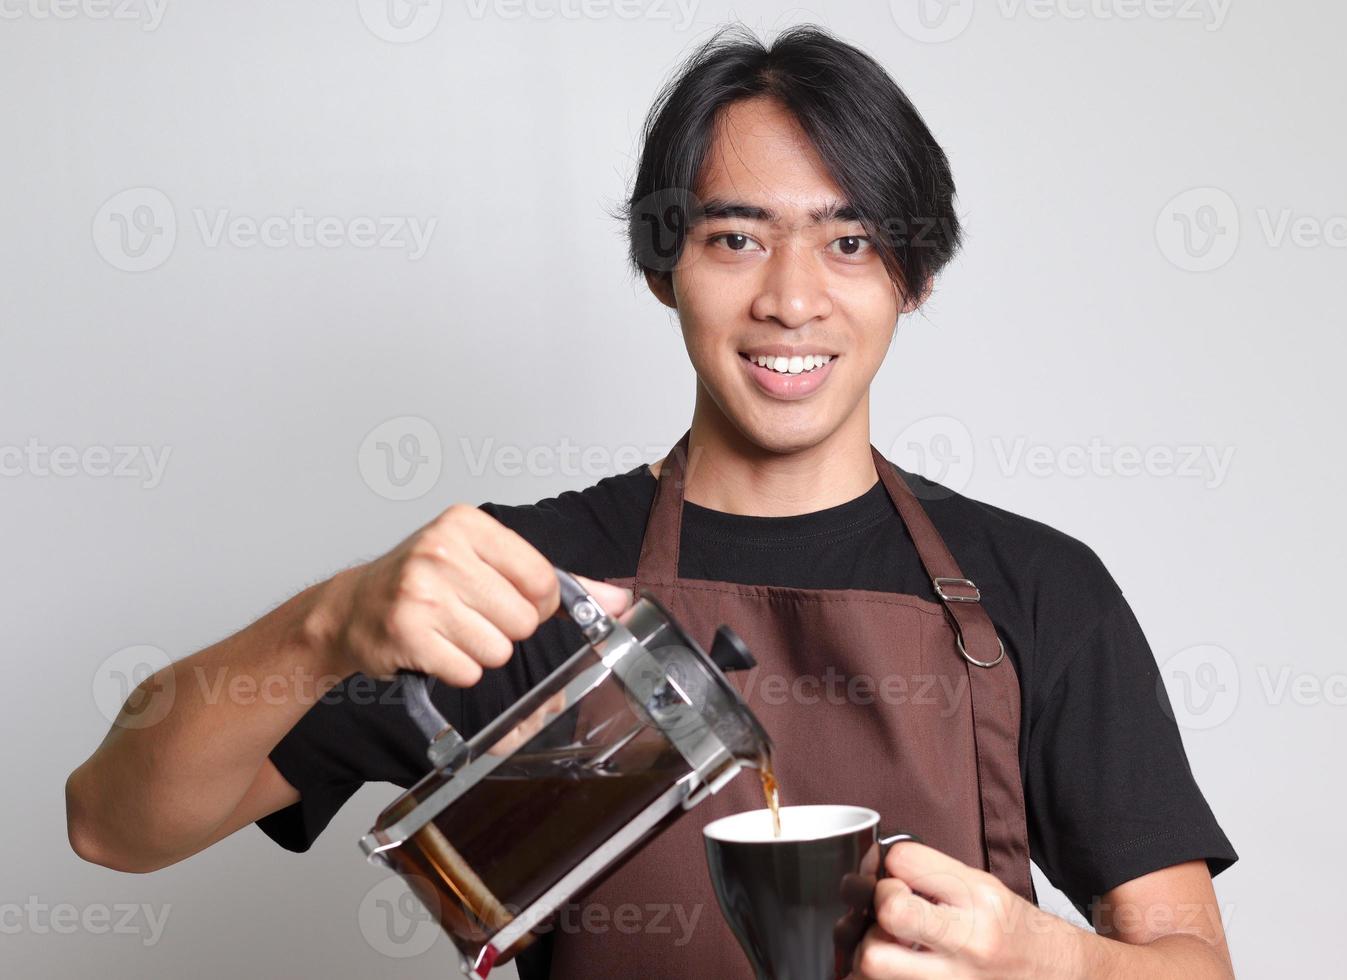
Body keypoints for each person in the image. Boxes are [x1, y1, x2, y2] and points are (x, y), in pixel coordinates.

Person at [67, 23, 1237, 979]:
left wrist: (1052, 962)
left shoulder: (1035, 587)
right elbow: (112, 825)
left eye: (849, 242)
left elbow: (1192, 965)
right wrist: (327, 622)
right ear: (660, 262)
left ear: (912, 277)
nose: (791, 298)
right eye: (737, 236)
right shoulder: (523, 581)